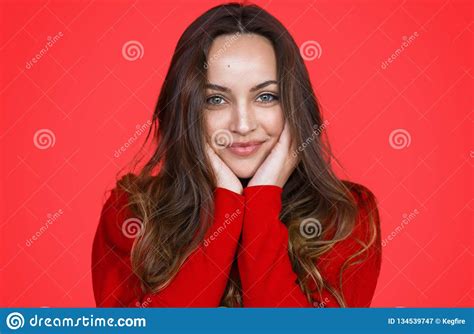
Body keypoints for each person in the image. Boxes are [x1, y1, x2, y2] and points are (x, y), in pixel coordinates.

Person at [92, 2, 382, 308]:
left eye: (266, 97)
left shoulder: (347, 217)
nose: (243, 124)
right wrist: (226, 204)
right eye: (215, 99)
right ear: (187, 110)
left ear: (293, 106)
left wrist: (261, 202)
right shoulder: (131, 213)